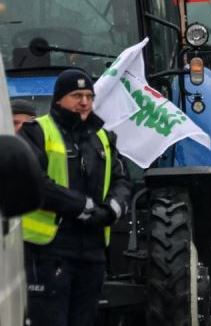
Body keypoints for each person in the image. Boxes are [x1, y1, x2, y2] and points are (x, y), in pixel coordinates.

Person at [17, 69, 132, 326]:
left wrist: (112, 209)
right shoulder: (36, 131)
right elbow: (35, 183)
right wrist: (83, 207)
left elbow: (122, 180)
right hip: (49, 251)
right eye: (76, 95)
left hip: (92, 251)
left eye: (89, 96)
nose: (84, 102)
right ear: (58, 99)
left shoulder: (103, 137)